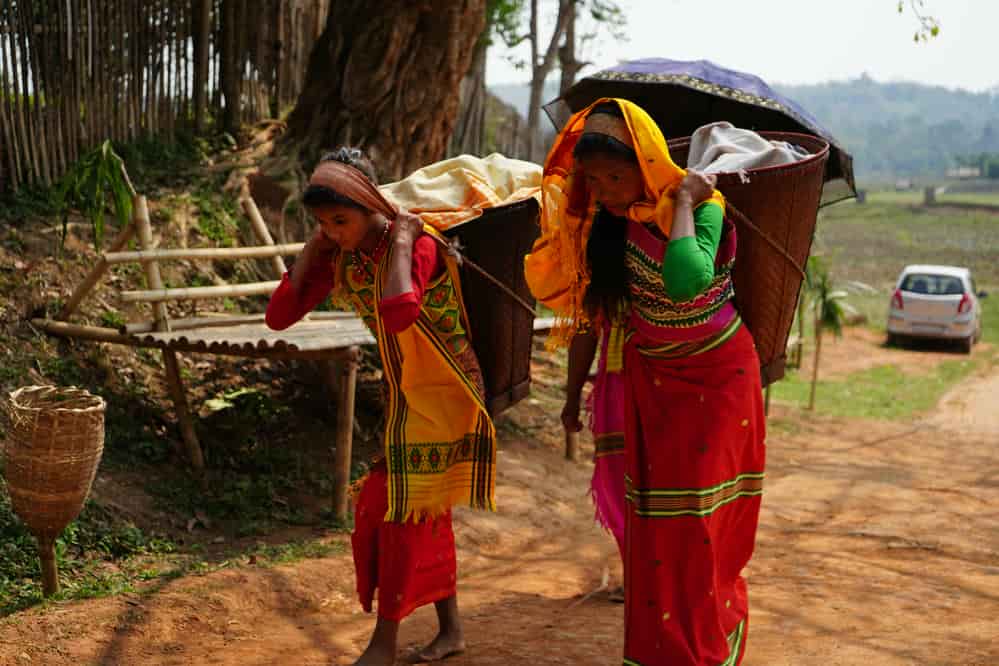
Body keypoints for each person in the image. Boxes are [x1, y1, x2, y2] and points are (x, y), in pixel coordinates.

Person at [525, 99, 766, 665]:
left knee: (701, 525)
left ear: (647, 165)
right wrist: (572, 393)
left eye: (616, 176)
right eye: (594, 180)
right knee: (657, 528)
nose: (605, 190)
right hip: (655, 383)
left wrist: (681, 201)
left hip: (718, 380)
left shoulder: (704, 208)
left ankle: (706, 650)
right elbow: (589, 314)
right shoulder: (607, 227)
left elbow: (684, 280)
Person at [266, 147, 496, 666]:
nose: (333, 232)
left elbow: (398, 313)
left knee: (397, 509)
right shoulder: (341, 253)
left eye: (340, 221)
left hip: (449, 390)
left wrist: (405, 241)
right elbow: (279, 317)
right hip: (408, 394)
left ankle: (384, 645)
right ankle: (451, 630)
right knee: (420, 508)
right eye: (323, 223)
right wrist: (312, 249)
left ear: (373, 205)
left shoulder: (420, 243)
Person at [562, 317, 627, 596]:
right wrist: (572, 398)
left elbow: (586, 327)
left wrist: (573, 398)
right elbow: (586, 325)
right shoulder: (600, 291)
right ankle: (642, 572)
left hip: (669, 376)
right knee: (622, 481)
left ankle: (654, 574)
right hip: (621, 382)